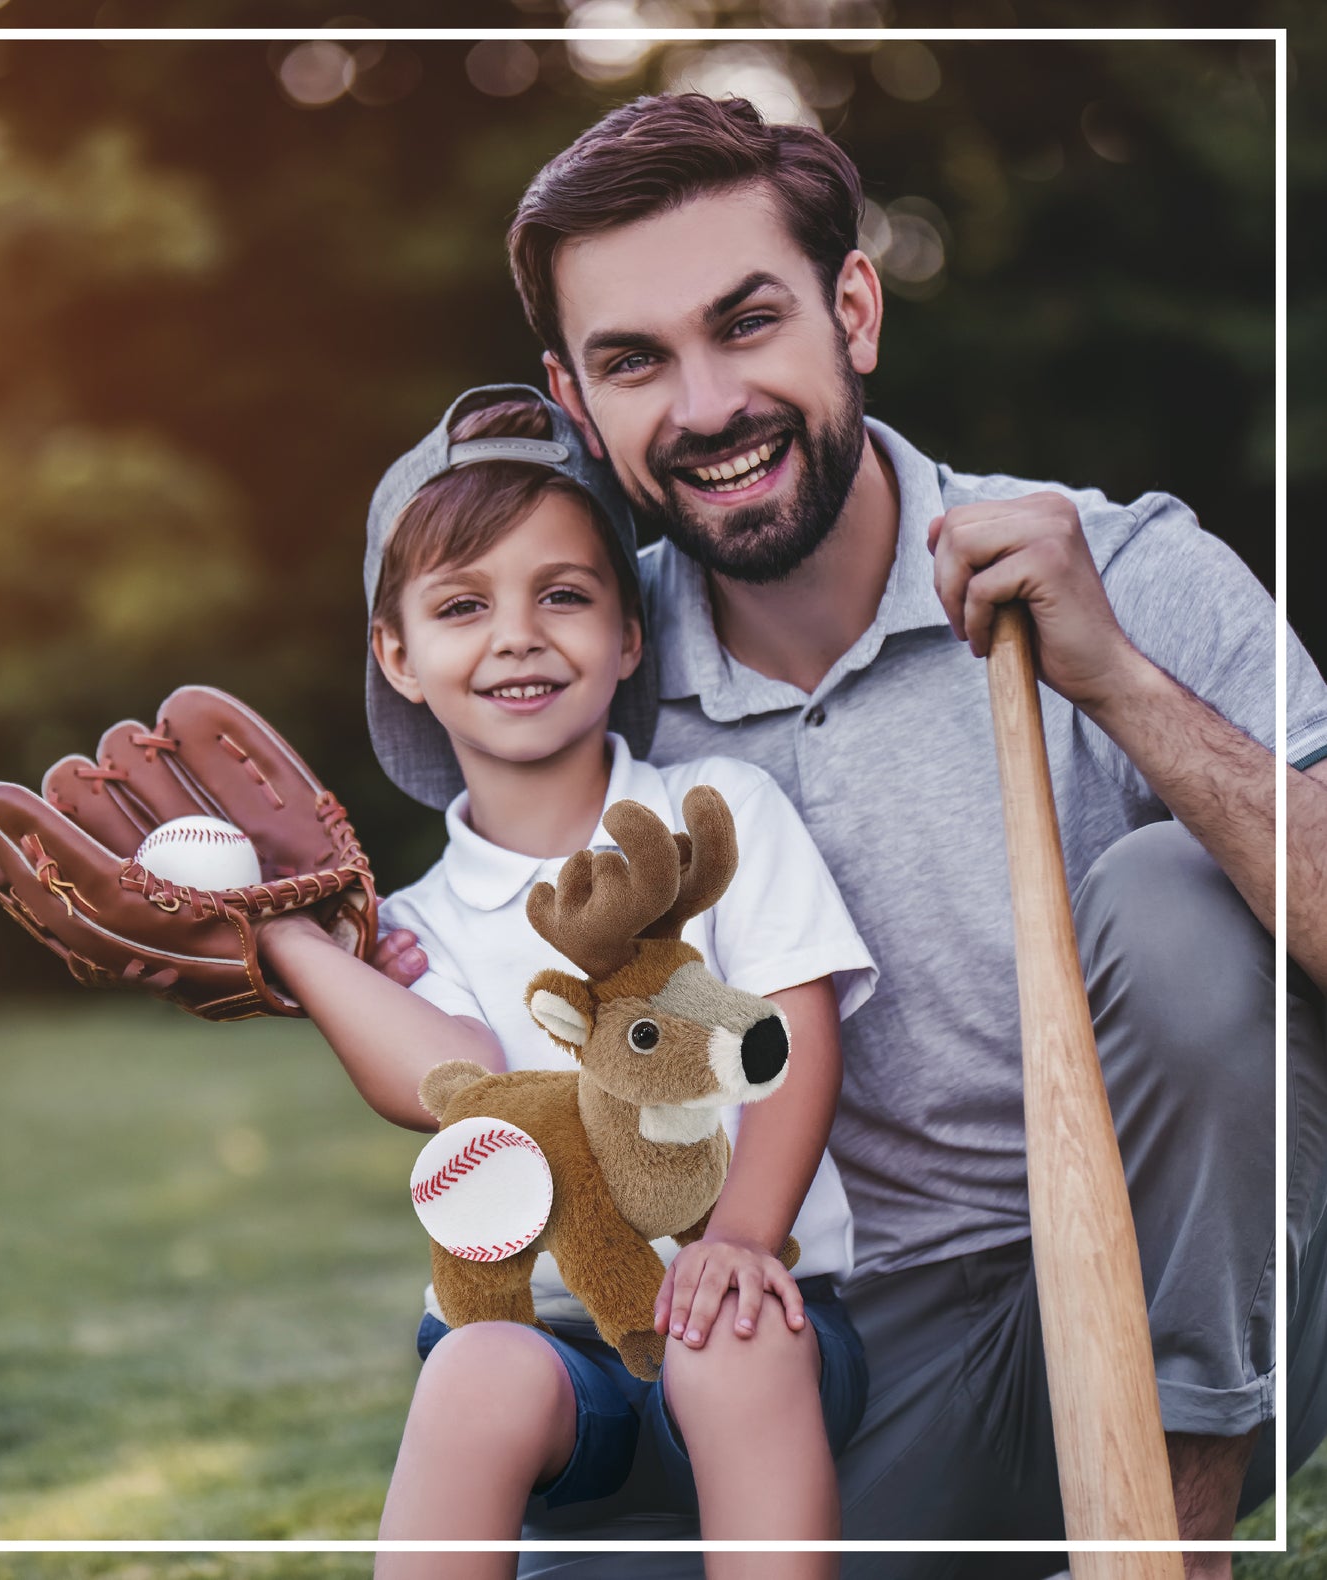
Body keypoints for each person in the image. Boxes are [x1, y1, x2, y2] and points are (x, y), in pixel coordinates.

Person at [376, 94, 1327, 1578]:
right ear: (575, 398)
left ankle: (1160, 1550)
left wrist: (1120, 684)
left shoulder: (1123, 566)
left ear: (855, 307)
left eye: (746, 323)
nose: (702, 407)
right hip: (830, 1354)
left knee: (1175, 900)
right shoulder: (577, 662)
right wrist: (269, 938)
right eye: (634, 361)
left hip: (1180, 1296)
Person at [258, 384, 879, 1580]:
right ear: (397, 653)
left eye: (562, 594)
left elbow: (793, 1036)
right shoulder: (417, 921)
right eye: (458, 605)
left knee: (730, 1333)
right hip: (559, 1362)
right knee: (472, 1367)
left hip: (764, 1326)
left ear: (628, 632)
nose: (516, 634)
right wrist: (292, 940)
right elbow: (454, 1080)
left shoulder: (714, 819)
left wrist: (741, 1236)